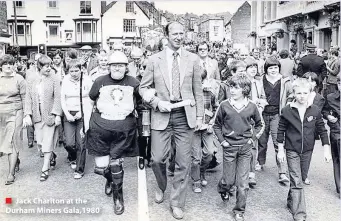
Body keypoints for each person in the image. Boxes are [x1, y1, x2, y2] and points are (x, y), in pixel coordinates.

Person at [139, 21, 204, 220]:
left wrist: (200, 116)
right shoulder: (154, 60)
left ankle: (177, 203)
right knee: (157, 158)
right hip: (162, 115)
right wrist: (157, 102)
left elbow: (198, 91)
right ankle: (161, 185)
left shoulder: (192, 59)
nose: (178, 36)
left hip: (185, 117)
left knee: (183, 163)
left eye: (181, 33)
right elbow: (143, 88)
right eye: (174, 33)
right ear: (166, 36)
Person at [85, 51, 140, 215]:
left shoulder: (134, 82)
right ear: (109, 66)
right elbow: (90, 101)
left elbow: (142, 102)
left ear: (126, 67)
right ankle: (110, 179)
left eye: (121, 65)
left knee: (116, 165)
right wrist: (86, 124)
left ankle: (118, 198)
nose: (117, 68)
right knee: (101, 167)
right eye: (114, 65)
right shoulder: (100, 81)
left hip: (123, 130)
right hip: (100, 128)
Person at [277, 77, 331, 221]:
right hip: (291, 149)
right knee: (296, 180)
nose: (302, 96)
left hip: (307, 150)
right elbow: (280, 130)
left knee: (300, 178)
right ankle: (300, 214)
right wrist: (280, 149)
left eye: (305, 93)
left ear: (310, 93)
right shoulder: (287, 110)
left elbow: (322, 129)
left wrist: (326, 149)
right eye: (299, 93)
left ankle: (291, 201)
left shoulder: (314, 110)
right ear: (293, 93)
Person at [213, 74, 263, 221]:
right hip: (229, 148)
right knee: (228, 181)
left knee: (242, 183)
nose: (232, 90)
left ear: (245, 89)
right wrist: (222, 141)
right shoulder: (224, 105)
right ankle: (223, 187)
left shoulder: (252, 106)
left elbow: (260, 124)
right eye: (231, 87)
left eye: (236, 87)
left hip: (245, 149)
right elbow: (216, 125)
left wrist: (252, 139)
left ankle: (239, 210)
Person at [24, 55, 62, 181]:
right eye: (46, 66)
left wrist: (57, 114)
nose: (49, 68)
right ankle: (51, 155)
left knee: (47, 141)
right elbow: (28, 98)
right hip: (37, 114)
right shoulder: (31, 79)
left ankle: (45, 169)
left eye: (50, 65)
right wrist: (27, 114)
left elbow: (57, 97)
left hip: (50, 114)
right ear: (39, 66)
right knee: (40, 143)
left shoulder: (54, 78)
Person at [256, 56, 292, 184]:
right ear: (266, 69)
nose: (273, 70)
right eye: (270, 68)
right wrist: (260, 102)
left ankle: (282, 172)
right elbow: (256, 96)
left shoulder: (285, 81)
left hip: (277, 114)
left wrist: (286, 106)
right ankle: (260, 162)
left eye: (276, 67)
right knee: (262, 140)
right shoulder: (259, 81)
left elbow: (291, 95)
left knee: (278, 142)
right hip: (263, 114)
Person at [61, 59, 93, 179]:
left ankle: (80, 170)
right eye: (71, 71)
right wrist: (67, 114)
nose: (74, 73)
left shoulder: (87, 80)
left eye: (76, 70)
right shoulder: (65, 80)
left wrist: (82, 111)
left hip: (83, 113)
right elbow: (62, 99)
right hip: (69, 112)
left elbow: (91, 98)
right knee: (69, 143)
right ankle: (72, 156)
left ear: (81, 70)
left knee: (81, 142)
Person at [191, 69, 218, 193]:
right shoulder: (188, 93)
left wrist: (212, 121)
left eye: (201, 80)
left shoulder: (209, 92)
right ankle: (196, 180)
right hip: (193, 129)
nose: (199, 83)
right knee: (195, 157)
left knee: (209, 153)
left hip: (206, 127)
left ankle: (202, 171)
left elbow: (216, 107)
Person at [0, 54, 26, 185]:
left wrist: (27, 114)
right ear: (1, 66)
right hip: (1, 114)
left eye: (10, 64)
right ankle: (16, 160)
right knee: (5, 142)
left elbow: (25, 97)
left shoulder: (19, 79)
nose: (8, 66)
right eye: (5, 64)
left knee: (13, 140)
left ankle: (11, 173)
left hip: (16, 112)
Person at [244, 56, 267, 186]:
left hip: (255, 116)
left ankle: (251, 173)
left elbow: (262, 97)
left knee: (253, 143)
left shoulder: (258, 83)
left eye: (254, 67)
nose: (253, 69)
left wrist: (261, 106)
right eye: (250, 67)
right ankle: (241, 172)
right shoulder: (242, 82)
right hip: (243, 117)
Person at [322, 77, 340, 197]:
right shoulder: (330, 97)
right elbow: (324, 111)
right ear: (338, 84)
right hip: (337, 132)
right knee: (338, 159)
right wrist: (328, 116)